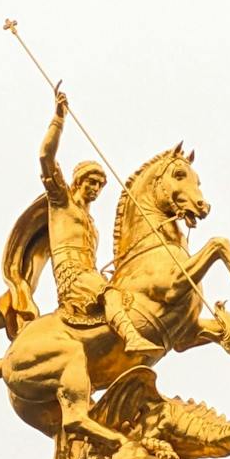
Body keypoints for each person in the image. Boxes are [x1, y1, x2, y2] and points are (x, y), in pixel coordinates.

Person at [40, 88, 158, 354]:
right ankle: (132, 338)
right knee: (111, 293)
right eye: (91, 182)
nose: (95, 188)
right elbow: (45, 157)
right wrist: (58, 119)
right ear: (78, 181)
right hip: (73, 278)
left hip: (90, 274)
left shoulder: (92, 224)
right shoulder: (62, 202)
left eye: (100, 185)